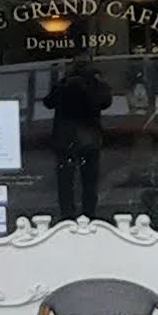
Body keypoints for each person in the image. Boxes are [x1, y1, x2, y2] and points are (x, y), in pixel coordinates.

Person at [46, 53, 109, 221]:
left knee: (66, 182)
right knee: (89, 181)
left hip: (66, 137)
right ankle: (89, 215)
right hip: (88, 136)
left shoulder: (67, 83)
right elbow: (105, 102)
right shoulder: (92, 83)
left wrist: (65, 82)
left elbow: (49, 102)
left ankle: (68, 216)